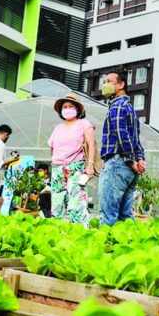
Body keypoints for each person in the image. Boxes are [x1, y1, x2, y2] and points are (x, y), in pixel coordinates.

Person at [98, 71, 146, 226]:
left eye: (109, 81)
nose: (105, 85)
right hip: (128, 168)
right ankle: (130, 245)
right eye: (104, 81)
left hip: (118, 163)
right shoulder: (130, 108)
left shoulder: (117, 107)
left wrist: (131, 159)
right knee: (125, 215)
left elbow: (121, 135)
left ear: (121, 84)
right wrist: (140, 158)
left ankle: (107, 247)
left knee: (108, 213)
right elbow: (136, 138)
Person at [48, 93, 97, 228]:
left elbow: (91, 144)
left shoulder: (83, 124)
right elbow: (52, 147)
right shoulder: (58, 128)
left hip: (76, 167)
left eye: (71, 106)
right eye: (65, 106)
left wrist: (90, 166)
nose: (67, 108)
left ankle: (79, 232)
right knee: (57, 203)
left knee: (76, 202)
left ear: (77, 109)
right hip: (58, 168)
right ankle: (57, 231)